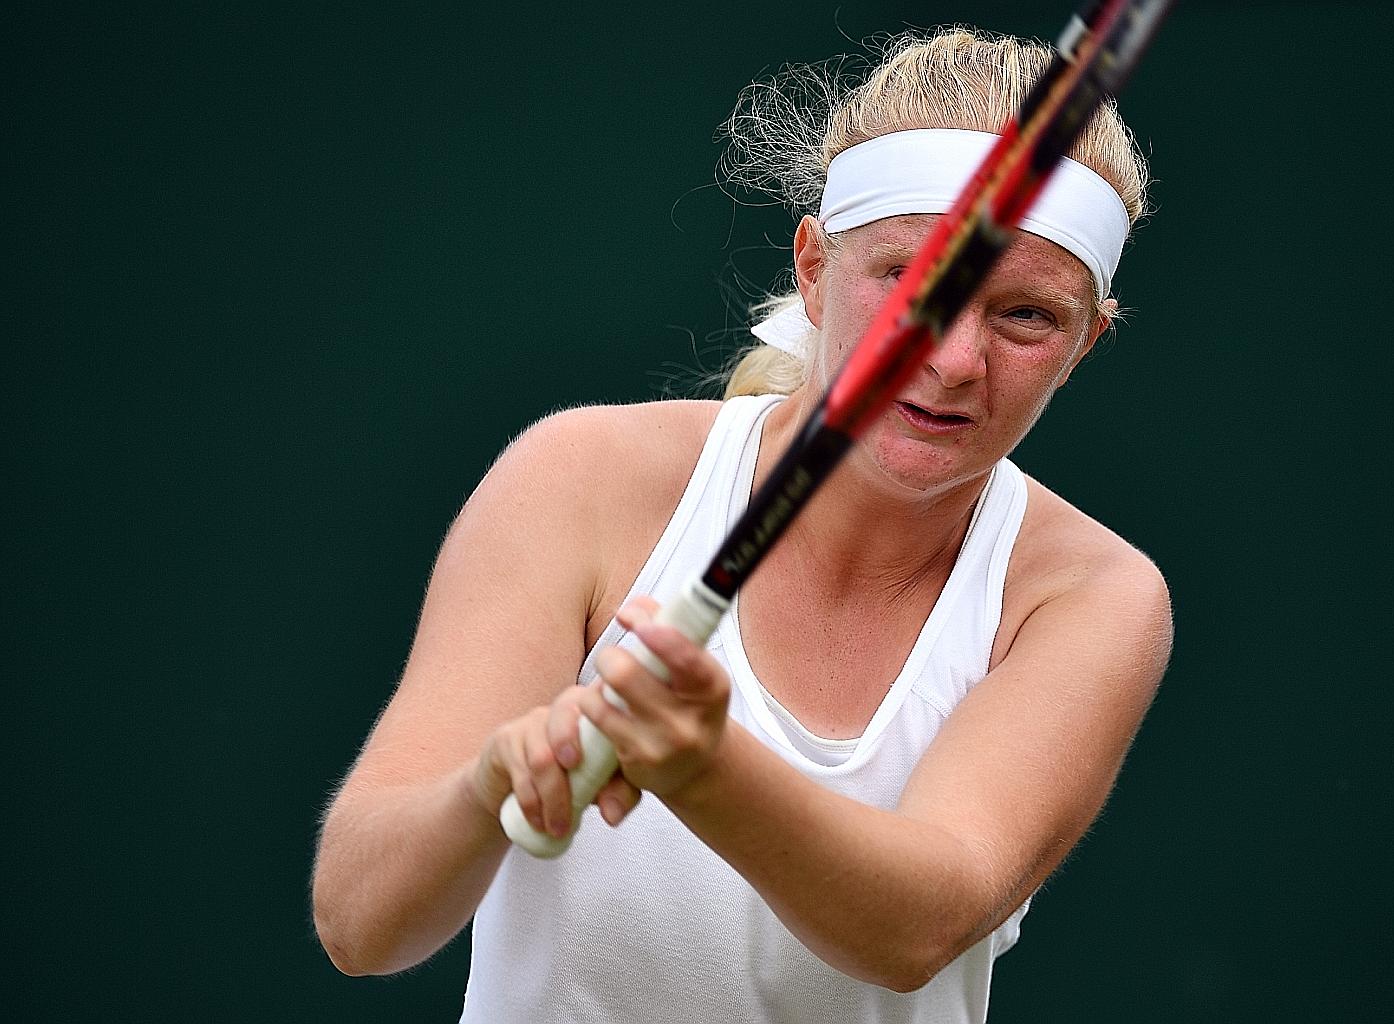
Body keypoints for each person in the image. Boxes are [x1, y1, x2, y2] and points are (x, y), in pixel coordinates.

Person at [313, 27, 1171, 1023]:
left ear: (1084, 344)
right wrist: (487, 790)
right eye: (910, 281)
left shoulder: (1091, 597)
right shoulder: (580, 477)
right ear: (812, 267)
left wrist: (701, 765)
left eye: (1026, 317)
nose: (952, 362)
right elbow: (360, 923)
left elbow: (915, 929)